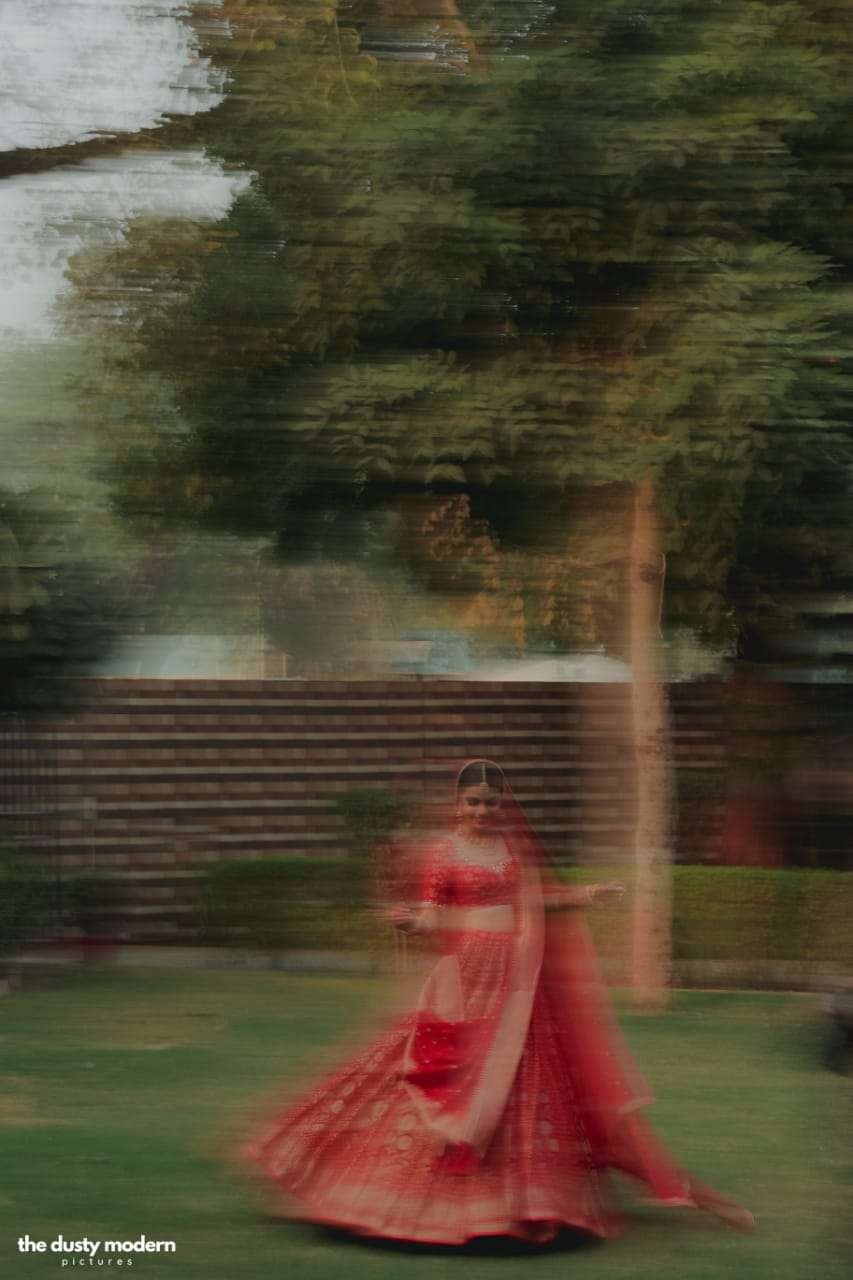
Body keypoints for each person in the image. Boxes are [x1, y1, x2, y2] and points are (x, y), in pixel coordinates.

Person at [244, 758, 754, 1243]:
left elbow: (531, 902)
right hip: (465, 977)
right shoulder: (444, 852)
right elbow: (431, 913)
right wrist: (409, 922)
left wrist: (587, 894)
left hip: (517, 981)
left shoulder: (510, 849)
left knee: (525, 1078)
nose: (482, 811)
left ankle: (522, 1202)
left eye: (491, 802)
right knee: (432, 1070)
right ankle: (345, 1172)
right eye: (473, 802)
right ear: (458, 803)